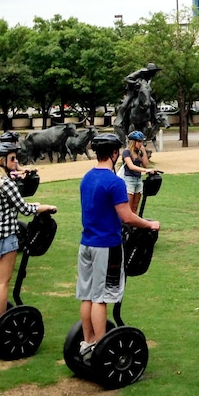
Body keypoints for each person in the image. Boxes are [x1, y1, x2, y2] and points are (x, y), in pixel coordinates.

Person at [76, 134, 161, 359]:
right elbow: (127, 217)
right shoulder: (115, 182)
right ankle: (102, 348)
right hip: (107, 245)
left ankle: (88, 342)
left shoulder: (86, 178)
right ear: (114, 154)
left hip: (86, 244)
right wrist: (150, 224)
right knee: (100, 298)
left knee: (87, 295)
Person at [0, 142, 57, 336]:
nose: (15, 162)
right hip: (4, 237)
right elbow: (25, 209)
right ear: (2, 160)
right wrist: (44, 206)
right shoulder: (6, 183)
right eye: (12, 158)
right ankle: (0, 325)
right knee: (2, 283)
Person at [122, 131, 155, 213]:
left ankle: (134, 223)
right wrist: (145, 171)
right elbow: (131, 166)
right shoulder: (126, 152)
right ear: (133, 142)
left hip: (138, 180)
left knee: (135, 206)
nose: (141, 144)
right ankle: (127, 224)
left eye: (141, 141)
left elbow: (145, 164)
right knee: (128, 206)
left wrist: (143, 152)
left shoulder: (139, 152)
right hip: (129, 180)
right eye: (139, 141)